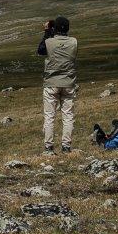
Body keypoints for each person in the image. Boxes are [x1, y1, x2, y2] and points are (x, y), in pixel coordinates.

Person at [37, 16, 78, 154]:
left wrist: (47, 31)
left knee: (49, 116)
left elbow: (41, 50)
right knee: (68, 115)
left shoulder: (49, 42)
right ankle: (66, 146)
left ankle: (48, 147)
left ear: (55, 28)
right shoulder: (74, 42)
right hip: (68, 83)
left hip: (51, 83)